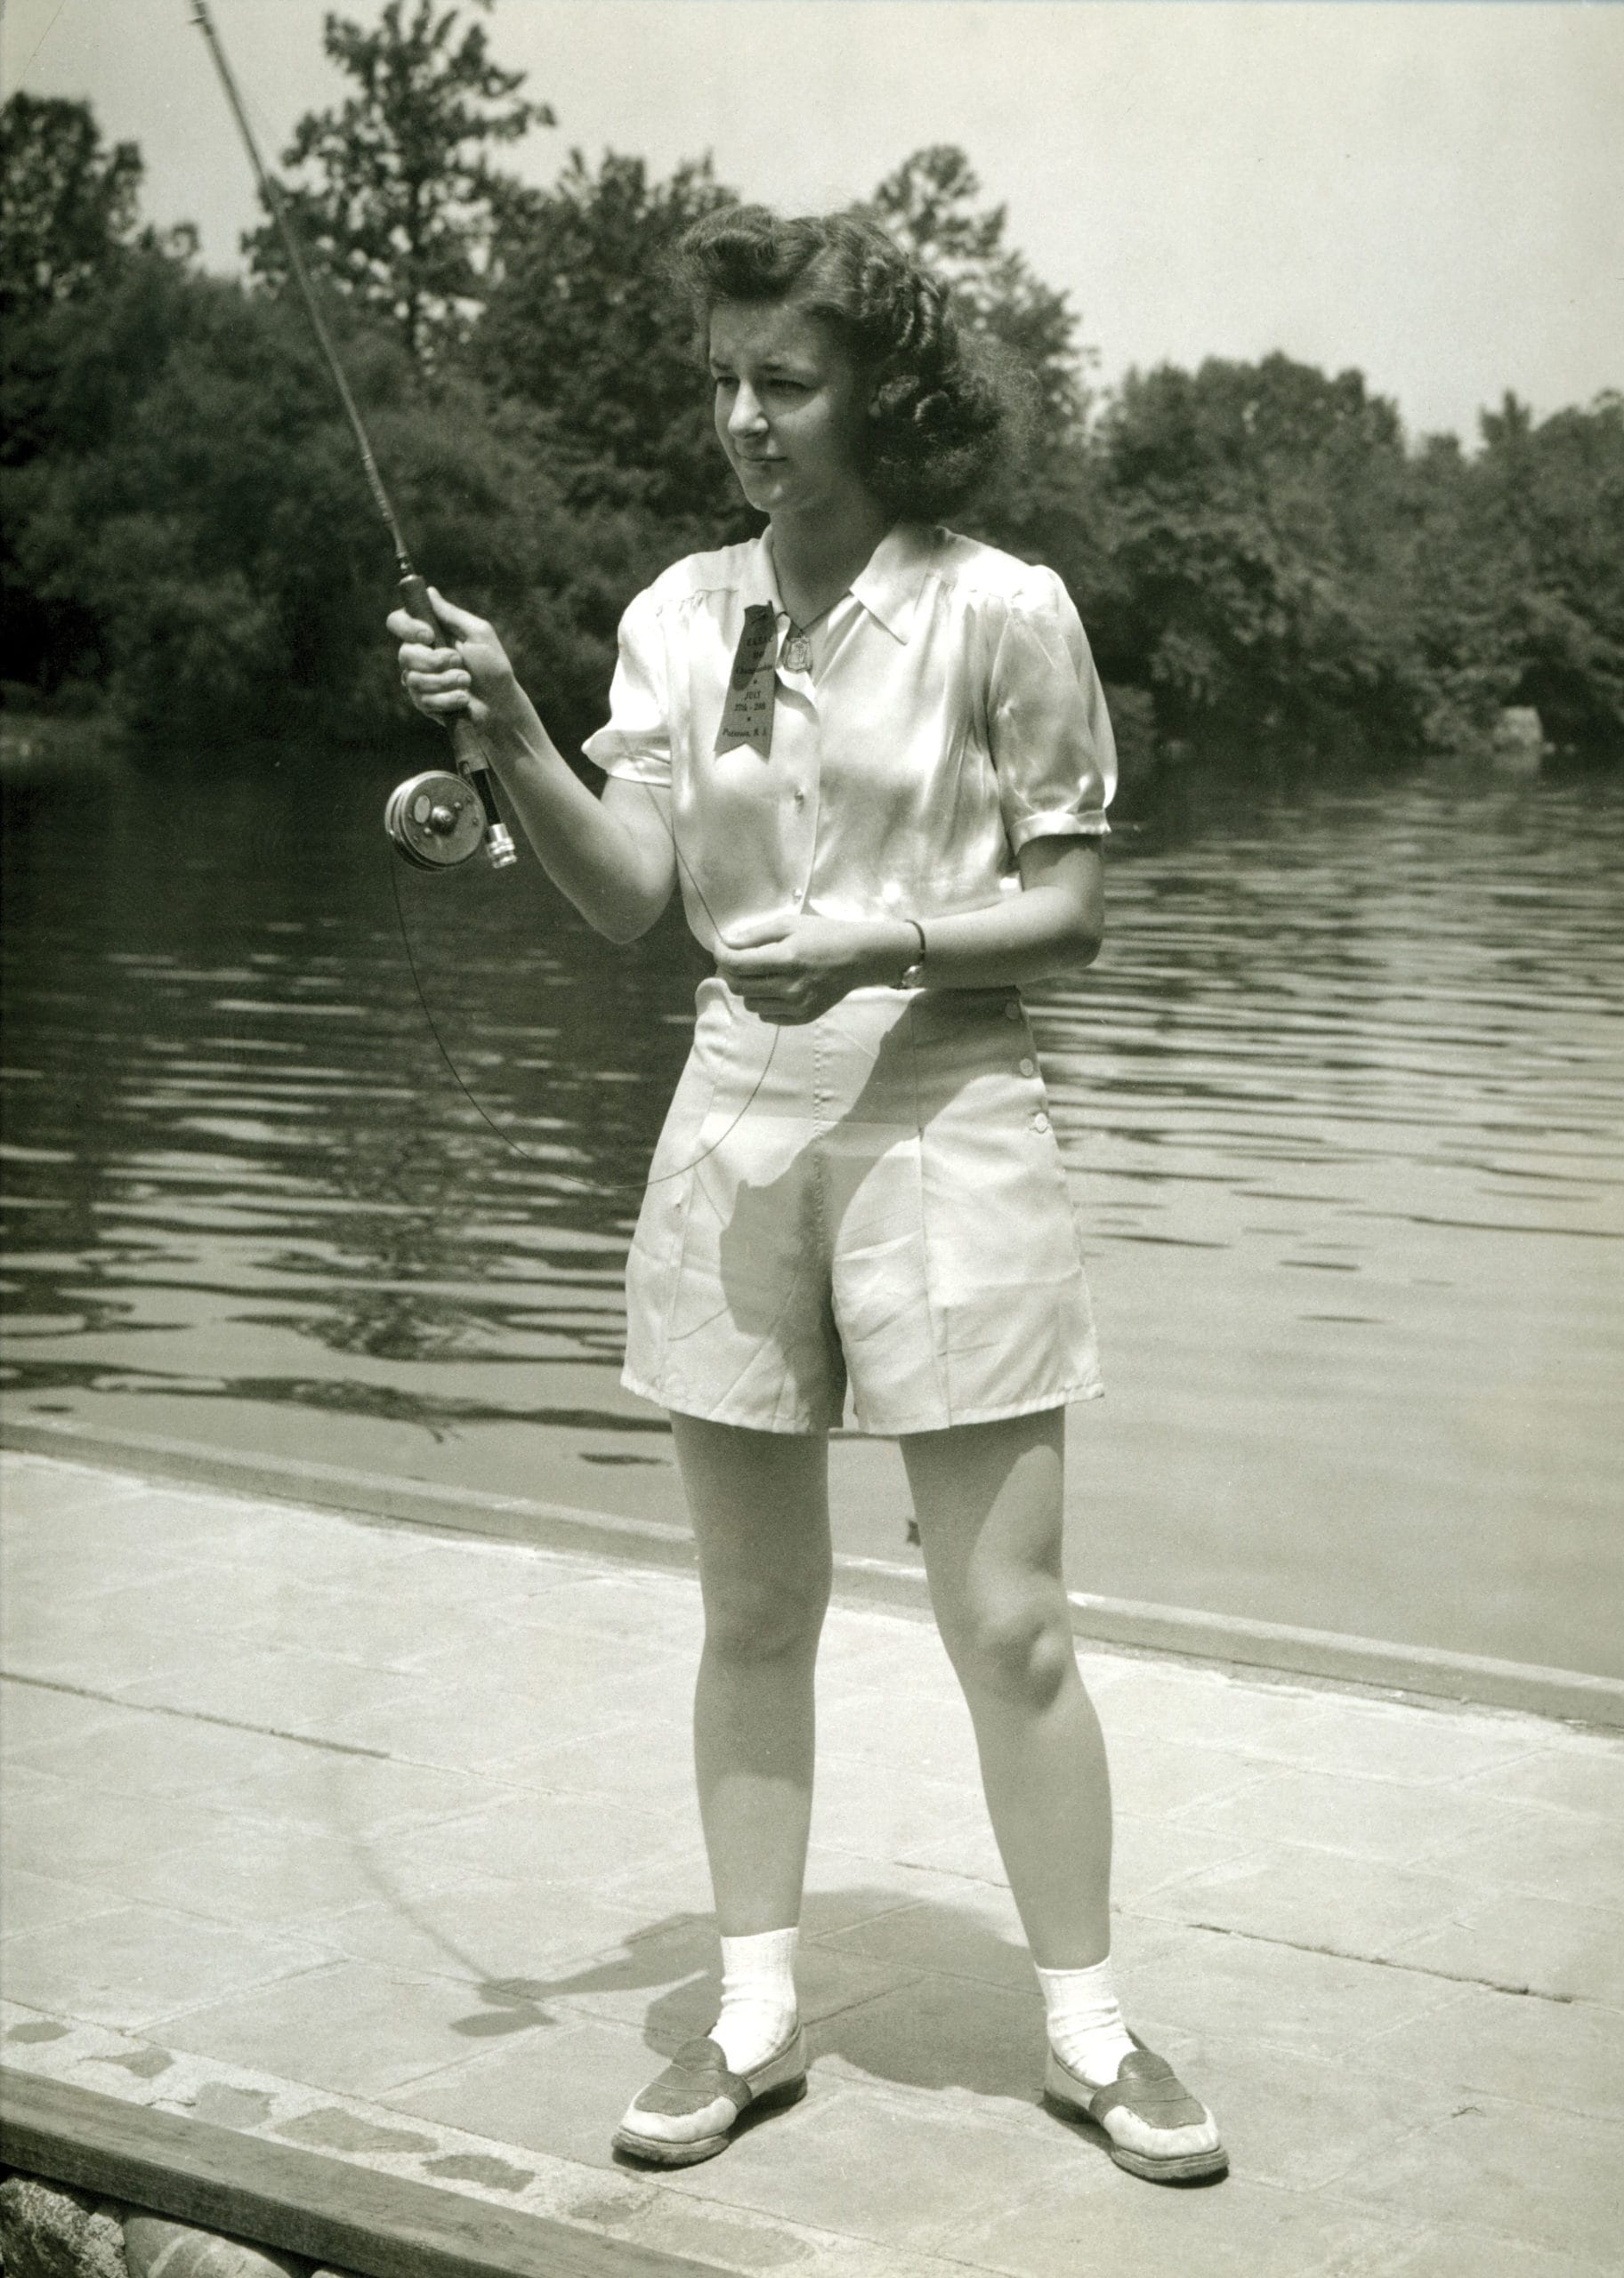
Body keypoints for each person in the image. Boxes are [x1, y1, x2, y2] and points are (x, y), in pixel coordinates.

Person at [390, 206, 1225, 2188]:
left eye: (786, 379)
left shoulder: (1003, 606)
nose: (744, 418)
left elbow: (1075, 913)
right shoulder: (681, 615)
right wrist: (510, 733)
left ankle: (1090, 2031)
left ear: (886, 393)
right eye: (722, 381)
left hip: (950, 1107)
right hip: (736, 1119)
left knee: (1011, 1622)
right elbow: (629, 899)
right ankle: (753, 2014)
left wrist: (881, 943)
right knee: (753, 1608)